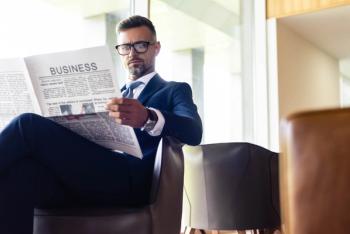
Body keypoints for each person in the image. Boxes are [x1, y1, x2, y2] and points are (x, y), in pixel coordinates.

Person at [0, 15, 202, 234]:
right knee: (22, 174)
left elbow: (193, 130)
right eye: (125, 47)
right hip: (88, 176)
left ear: (156, 48)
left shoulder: (174, 90)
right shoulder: (110, 92)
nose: (132, 53)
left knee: (27, 124)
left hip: (129, 181)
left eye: (140, 45)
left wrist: (147, 117)